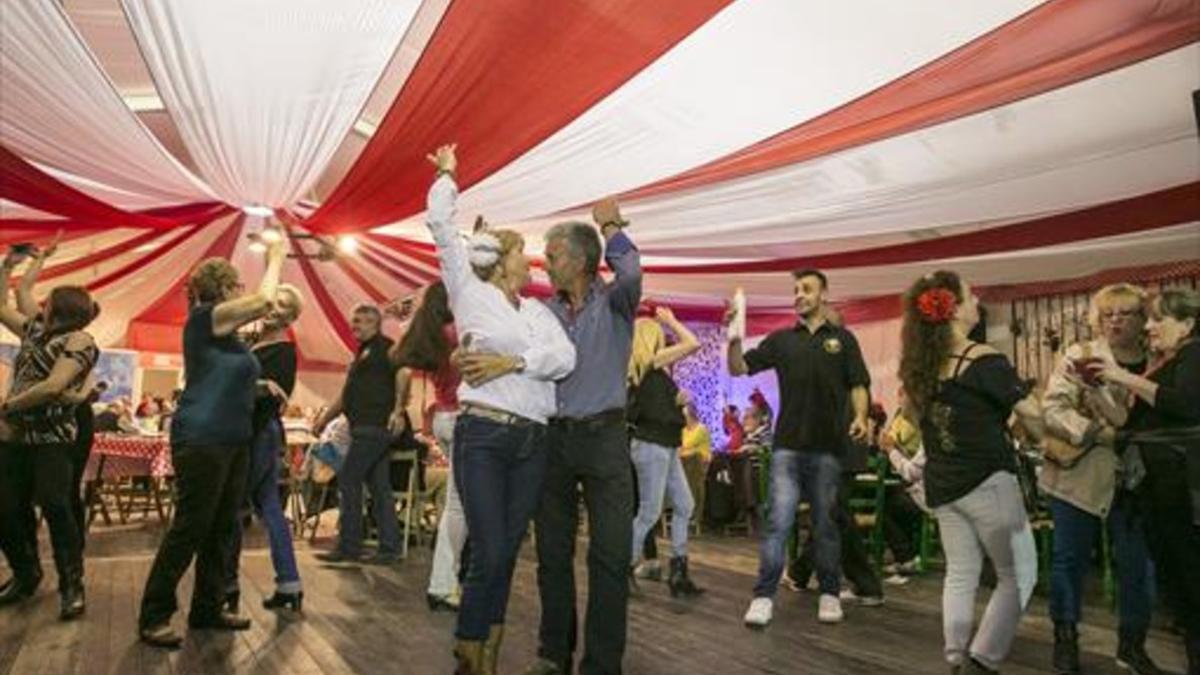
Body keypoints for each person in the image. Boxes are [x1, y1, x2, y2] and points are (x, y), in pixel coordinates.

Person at [425, 145, 576, 675]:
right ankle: (471, 641)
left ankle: (485, 645)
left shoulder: (537, 311)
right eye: (520, 251)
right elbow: (441, 226)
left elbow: (564, 358)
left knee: (507, 549)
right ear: (500, 259)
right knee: (490, 545)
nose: (528, 259)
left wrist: (512, 361)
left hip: (533, 439)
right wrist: (447, 174)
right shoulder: (468, 291)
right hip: (484, 434)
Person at [137, 235, 286, 648]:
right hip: (203, 437)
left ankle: (207, 607)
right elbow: (262, 303)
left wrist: (260, 384)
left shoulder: (227, 337)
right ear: (222, 289)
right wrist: (277, 256)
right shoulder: (206, 319)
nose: (242, 291)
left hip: (233, 439)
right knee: (191, 526)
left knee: (223, 527)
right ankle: (154, 614)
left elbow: (219, 375)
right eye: (236, 285)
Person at [519, 184, 641, 675]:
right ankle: (553, 654)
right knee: (551, 552)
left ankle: (602, 663)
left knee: (610, 556)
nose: (546, 264)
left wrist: (611, 227)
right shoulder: (542, 313)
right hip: (554, 439)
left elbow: (630, 269)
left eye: (553, 255)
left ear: (582, 259)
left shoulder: (616, 303)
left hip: (607, 438)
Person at [899, 270, 1041, 674]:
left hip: (943, 485)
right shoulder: (983, 359)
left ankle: (956, 656)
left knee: (961, 573)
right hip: (987, 481)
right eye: (971, 295)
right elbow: (1032, 414)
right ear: (955, 310)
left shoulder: (920, 366)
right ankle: (984, 658)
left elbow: (909, 417)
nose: (977, 301)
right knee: (1020, 573)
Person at [730, 269, 871, 628]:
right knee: (778, 523)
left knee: (825, 525)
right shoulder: (781, 340)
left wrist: (860, 416)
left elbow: (858, 384)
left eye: (806, 289)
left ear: (824, 294)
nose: (799, 295)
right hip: (787, 448)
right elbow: (739, 367)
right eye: (796, 290)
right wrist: (734, 336)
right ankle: (763, 597)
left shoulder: (843, 340)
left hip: (828, 449)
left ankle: (829, 593)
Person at [1039, 284, 1160, 675]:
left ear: (1143, 319)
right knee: (1069, 559)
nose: (1115, 321)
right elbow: (1052, 408)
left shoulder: (1159, 357)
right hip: (1083, 473)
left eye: (1125, 313)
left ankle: (1132, 645)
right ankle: (1066, 639)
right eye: (1108, 314)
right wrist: (1095, 431)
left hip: (1140, 480)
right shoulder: (1082, 356)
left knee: (1138, 567)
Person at [1097, 288, 1200, 672]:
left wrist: (1122, 377)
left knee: (1189, 586)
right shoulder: (1172, 360)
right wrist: (1100, 390)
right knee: (1183, 590)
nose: (1150, 327)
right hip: (1163, 490)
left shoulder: (1194, 354)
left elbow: (1186, 404)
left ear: (1187, 324)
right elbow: (1133, 423)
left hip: (1178, 491)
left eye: (1159, 319)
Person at [0, 240, 100, 620]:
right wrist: (9, 266)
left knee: (57, 506)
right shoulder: (34, 332)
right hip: (14, 437)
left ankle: (72, 585)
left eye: (49, 301)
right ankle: (26, 574)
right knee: (5, 507)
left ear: (61, 308)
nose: (42, 304)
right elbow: (4, 303)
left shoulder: (79, 340)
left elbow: (54, 386)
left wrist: (6, 407)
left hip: (53, 438)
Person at [223, 283, 306, 614]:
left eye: (282, 305)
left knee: (234, 507)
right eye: (272, 302)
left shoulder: (282, 352)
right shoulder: (258, 344)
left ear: (291, 315)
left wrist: (250, 386)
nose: (273, 309)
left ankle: (225, 587)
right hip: (261, 433)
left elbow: (273, 399)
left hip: (258, 433)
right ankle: (289, 584)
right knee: (270, 508)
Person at [387, 281, 465, 613]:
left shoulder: (430, 333)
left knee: (458, 503)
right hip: (462, 418)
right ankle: (444, 583)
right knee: (459, 506)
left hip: (444, 417)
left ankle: (447, 579)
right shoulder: (457, 331)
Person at [313, 303, 409, 566]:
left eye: (362, 320)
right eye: (354, 320)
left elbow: (404, 371)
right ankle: (389, 548)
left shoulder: (386, 347)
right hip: (363, 426)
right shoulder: (362, 355)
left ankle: (349, 546)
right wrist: (325, 419)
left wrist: (399, 410)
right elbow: (346, 396)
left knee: (348, 478)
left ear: (375, 323)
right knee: (379, 488)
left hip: (375, 425)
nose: (356, 324)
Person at [626, 307, 703, 598]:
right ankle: (625, 568)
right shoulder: (647, 363)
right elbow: (693, 343)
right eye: (660, 335)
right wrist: (670, 320)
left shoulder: (655, 373)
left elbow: (659, 410)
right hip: (651, 445)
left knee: (684, 505)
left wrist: (679, 402)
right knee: (649, 511)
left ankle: (679, 572)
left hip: (665, 445)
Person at [679, 402, 712, 536]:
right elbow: (680, 447)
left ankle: (693, 515)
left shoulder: (701, 429)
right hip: (684, 465)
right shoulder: (683, 431)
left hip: (698, 466)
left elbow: (687, 445)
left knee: (693, 462)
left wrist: (686, 450)